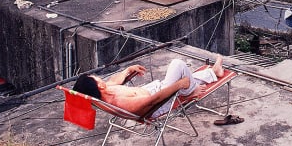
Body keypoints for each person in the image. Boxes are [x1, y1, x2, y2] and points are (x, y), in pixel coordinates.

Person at [72, 55, 224, 117]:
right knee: (178, 65)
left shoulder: (104, 92)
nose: (100, 78)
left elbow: (114, 80)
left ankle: (213, 71)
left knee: (180, 74)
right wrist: (179, 86)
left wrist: (128, 70)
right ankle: (189, 91)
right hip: (161, 102)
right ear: (98, 85)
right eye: (97, 78)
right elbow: (152, 101)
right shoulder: (119, 102)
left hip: (156, 90)